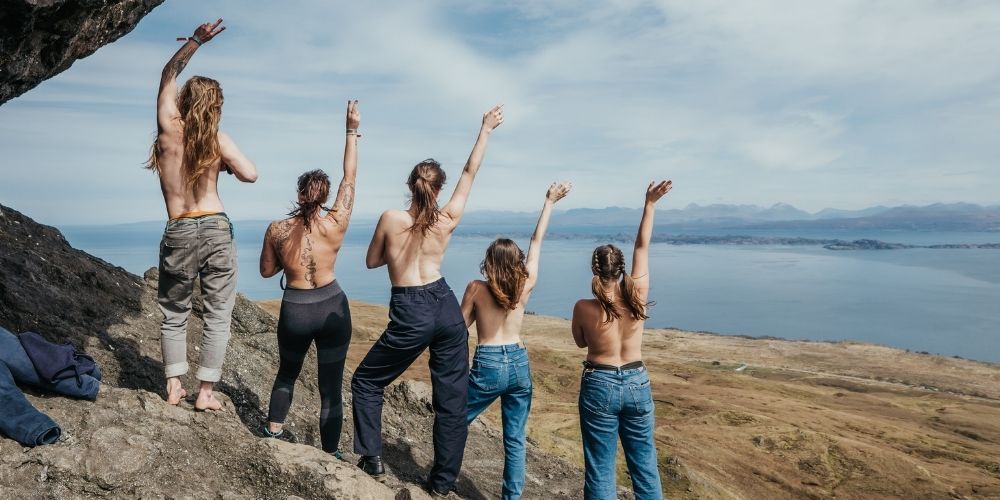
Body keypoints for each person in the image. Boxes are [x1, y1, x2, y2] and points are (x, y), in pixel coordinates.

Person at [351, 105, 505, 496]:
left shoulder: (390, 218)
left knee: (367, 381)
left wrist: (396, 251)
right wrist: (485, 129)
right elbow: (471, 174)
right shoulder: (447, 219)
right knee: (453, 403)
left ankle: (372, 458)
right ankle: (441, 483)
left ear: (411, 186)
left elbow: (371, 261)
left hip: (411, 307)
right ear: (438, 189)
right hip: (445, 304)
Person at [147, 19, 258, 411]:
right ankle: (206, 393)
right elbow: (251, 174)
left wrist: (196, 40)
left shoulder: (167, 129)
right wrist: (222, 164)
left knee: (174, 312)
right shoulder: (217, 140)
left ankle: (174, 387)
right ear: (215, 107)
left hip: (178, 227)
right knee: (217, 315)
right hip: (213, 228)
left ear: (183, 101)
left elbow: (167, 73)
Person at [258, 100, 361, 457]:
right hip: (333, 306)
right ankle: (331, 455)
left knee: (287, 374)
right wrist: (351, 131)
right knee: (330, 387)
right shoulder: (337, 222)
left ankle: (273, 433)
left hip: (296, 309)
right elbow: (350, 177)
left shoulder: (277, 228)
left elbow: (266, 271)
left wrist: (288, 261)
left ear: (301, 193)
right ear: (327, 196)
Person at [460, 181, 571, 499]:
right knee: (515, 439)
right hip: (519, 362)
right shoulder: (526, 284)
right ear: (517, 260)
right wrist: (548, 202)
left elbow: (456, 330)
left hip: (489, 361)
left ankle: (443, 478)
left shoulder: (476, 289)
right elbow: (537, 241)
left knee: (454, 420)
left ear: (489, 262)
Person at [571, 180, 672, 500]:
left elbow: (580, 343)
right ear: (622, 269)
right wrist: (650, 204)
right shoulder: (637, 294)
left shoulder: (584, 307)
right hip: (637, 380)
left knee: (601, 468)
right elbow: (642, 246)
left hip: (599, 382)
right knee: (644, 465)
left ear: (595, 269)